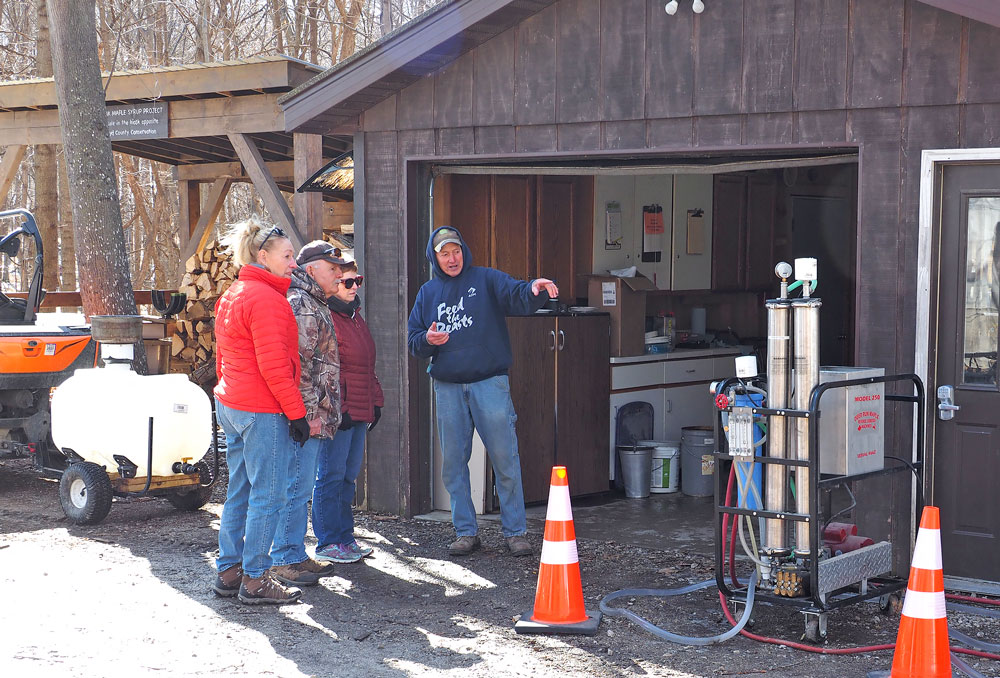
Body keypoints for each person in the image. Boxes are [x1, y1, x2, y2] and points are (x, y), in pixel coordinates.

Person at [406, 226, 558, 557]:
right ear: (435, 257)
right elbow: (413, 338)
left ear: (464, 252)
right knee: (454, 464)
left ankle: (515, 531)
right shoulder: (428, 293)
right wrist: (426, 341)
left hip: (490, 383)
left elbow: (517, 294)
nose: (452, 258)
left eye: (456, 251)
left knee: (505, 457)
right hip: (447, 387)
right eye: (444, 253)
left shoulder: (486, 279)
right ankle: (465, 532)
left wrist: (535, 287)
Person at [211, 217, 311, 605]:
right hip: (260, 409)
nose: (293, 263)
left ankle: (229, 571)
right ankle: (255, 579)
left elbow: (223, 355)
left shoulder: (235, 292)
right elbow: (274, 367)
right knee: (268, 495)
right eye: (287, 256)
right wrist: (297, 413)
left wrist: (224, 392)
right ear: (262, 255)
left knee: (239, 490)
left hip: (232, 403)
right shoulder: (267, 300)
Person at [269, 241, 347, 587]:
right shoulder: (302, 304)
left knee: (301, 487)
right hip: (306, 417)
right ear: (312, 269)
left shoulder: (315, 301)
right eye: (333, 269)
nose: (339, 275)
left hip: (316, 414)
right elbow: (297, 366)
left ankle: (295, 553)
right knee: (296, 486)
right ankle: (284, 557)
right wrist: (308, 415)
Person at [314, 256, 384, 564]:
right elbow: (324, 370)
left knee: (347, 477)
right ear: (333, 285)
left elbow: (367, 366)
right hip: (337, 413)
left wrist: (375, 401)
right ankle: (328, 540)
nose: (355, 287)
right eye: (348, 282)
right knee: (330, 475)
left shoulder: (355, 317)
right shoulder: (328, 317)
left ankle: (345, 536)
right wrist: (334, 409)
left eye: (358, 281)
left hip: (358, 410)